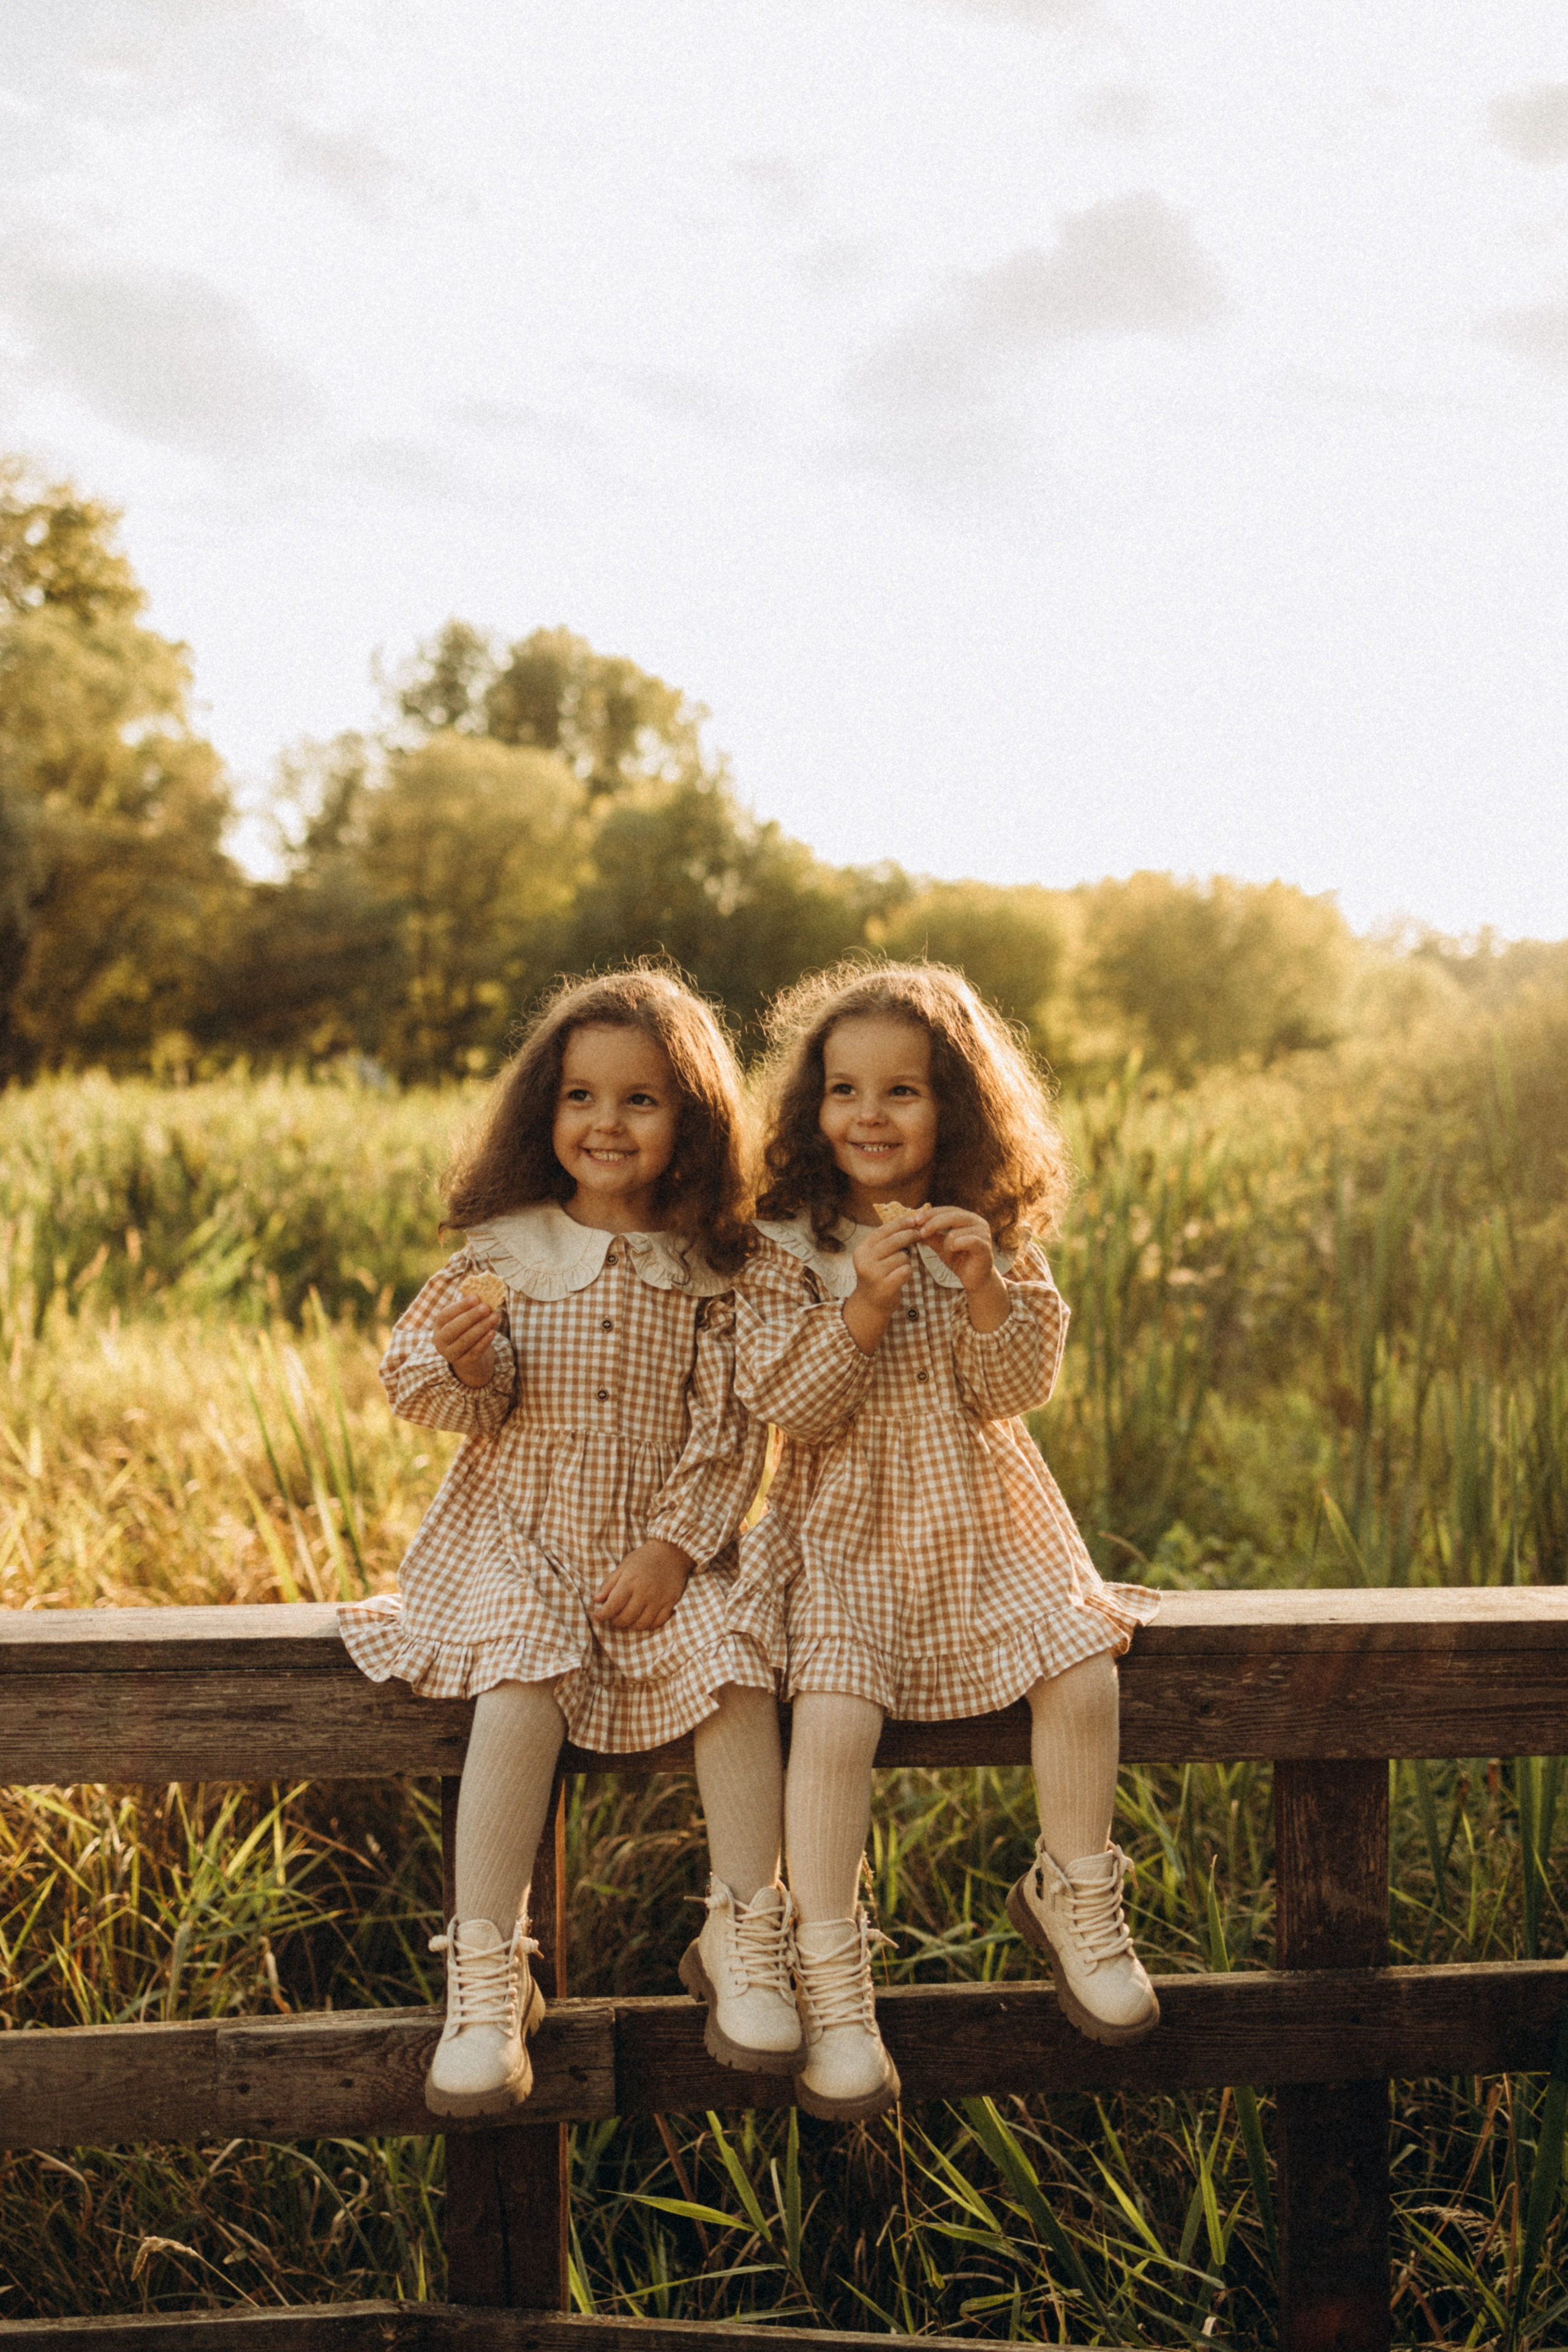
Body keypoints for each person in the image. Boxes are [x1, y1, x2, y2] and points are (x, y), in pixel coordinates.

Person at [340, 970, 799, 2117]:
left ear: (692, 1119)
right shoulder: (505, 1252)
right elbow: (423, 1387)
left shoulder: (713, 1270)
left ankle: (746, 1934)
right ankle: (488, 1976)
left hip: (659, 1552)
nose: (606, 1123)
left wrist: (677, 1550)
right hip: (517, 1540)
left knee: (738, 1663)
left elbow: (732, 1432)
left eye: (641, 1100)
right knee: (521, 1678)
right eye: (581, 1097)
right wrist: (464, 1361)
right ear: (543, 1111)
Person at [735, 961, 1160, 2123]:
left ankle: (1074, 1894)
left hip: (984, 1520)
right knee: (834, 1722)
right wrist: (863, 1307)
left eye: (904, 1092)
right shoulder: (786, 1244)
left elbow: (1012, 1391)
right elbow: (788, 1407)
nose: (869, 1115)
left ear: (956, 1108)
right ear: (813, 1106)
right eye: (844, 1090)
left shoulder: (993, 1238)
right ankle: (833, 1980)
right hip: (845, 1532)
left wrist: (983, 1290)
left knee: (1081, 1666)